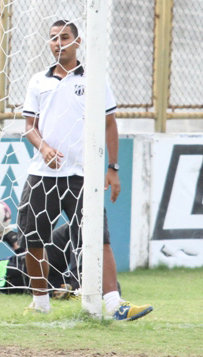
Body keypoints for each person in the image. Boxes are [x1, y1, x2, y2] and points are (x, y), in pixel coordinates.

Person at [17, 20, 152, 320]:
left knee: (97, 237)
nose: (58, 43)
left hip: (82, 176)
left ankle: (116, 305)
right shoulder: (38, 81)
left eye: (64, 37)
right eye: (53, 38)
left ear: (77, 42)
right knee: (32, 239)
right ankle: (40, 305)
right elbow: (29, 127)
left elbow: (109, 122)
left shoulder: (93, 79)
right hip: (42, 175)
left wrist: (112, 168)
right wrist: (44, 148)